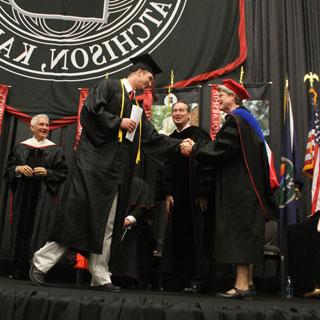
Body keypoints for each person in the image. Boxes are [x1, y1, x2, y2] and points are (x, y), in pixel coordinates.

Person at [29, 53, 181, 292]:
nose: (150, 84)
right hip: (92, 165)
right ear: (139, 72)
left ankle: (100, 276)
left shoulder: (136, 106)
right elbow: (89, 112)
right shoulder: (109, 86)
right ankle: (41, 263)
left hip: (115, 172)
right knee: (75, 216)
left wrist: (179, 145)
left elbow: (149, 137)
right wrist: (117, 121)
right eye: (149, 78)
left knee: (109, 223)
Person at [181, 79, 276, 299]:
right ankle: (249, 283)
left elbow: (222, 149)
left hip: (240, 189)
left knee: (240, 233)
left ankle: (241, 285)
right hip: (248, 188)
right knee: (246, 233)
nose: (218, 99)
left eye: (221, 95)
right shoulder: (247, 120)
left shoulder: (236, 121)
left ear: (233, 96)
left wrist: (195, 148)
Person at [5, 114, 68, 278]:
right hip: (22, 195)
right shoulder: (20, 147)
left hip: (43, 197)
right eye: (41, 124)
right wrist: (18, 169)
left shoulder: (55, 149)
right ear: (32, 127)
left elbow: (63, 173)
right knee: (20, 228)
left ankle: (37, 270)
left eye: (47, 125)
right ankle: (17, 269)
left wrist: (48, 172)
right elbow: (8, 171)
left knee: (39, 230)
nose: (45, 128)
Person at [161, 101, 213, 293]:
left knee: (197, 237)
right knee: (177, 237)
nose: (177, 113)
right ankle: (177, 279)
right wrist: (167, 193)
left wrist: (203, 193)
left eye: (181, 110)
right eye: (174, 111)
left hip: (195, 196)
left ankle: (199, 280)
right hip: (177, 197)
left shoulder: (200, 136)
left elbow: (207, 164)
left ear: (189, 114)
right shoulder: (171, 138)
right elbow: (166, 168)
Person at [114, 176, 157, 289]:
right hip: (110, 224)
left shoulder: (139, 184)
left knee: (133, 234)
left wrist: (130, 218)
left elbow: (143, 208)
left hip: (134, 226)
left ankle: (129, 276)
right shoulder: (109, 181)